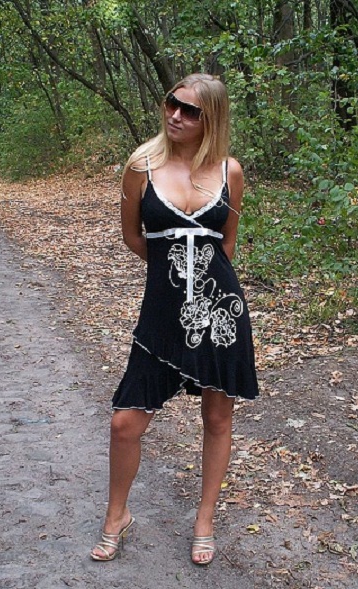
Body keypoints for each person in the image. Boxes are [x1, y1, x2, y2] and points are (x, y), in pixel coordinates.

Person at [90, 73, 259, 566]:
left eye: (189, 111)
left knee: (217, 418)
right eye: (171, 103)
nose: (175, 115)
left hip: (219, 310)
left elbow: (226, 246)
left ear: (212, 119)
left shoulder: (230, 171)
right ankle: (116, 515)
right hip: (162, 312)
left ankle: (204, 520)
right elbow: (133, 237)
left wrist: (203, 285)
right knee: (125, 423)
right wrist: (173, 276)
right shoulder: (140, 166)